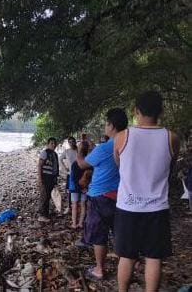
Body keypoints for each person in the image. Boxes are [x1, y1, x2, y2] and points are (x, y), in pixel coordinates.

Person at [114, 91, 180, 292]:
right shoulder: (172, 138)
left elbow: (119, 164)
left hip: (128, 207)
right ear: (161, 111)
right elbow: (171, 166)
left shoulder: (122, 136)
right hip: (157, 208)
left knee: (127, 256)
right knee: (154, 257)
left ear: (135, 110)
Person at [76, 108, 128, 281]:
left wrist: (79, 149)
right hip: (122, 195)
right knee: (119, 231)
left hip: (101, 197)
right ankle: (127, 265)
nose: (105, 127)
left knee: (99, 235)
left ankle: (99, 269)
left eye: (106, 123)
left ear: (112, 126)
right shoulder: (129, 144)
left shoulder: (105, 147)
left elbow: (82, 164)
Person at [69, 141, 91, 229]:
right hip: (85, 188)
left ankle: (74, 224)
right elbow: (90, 177)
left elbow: (74, 178)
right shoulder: (89, 163)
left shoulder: (75, 163)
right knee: (83, 205)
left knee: (74, 205)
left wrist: (79, 187)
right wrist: (84, 188)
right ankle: (81, 223)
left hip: (75, 188)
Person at [37, 137, 60, 222]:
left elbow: (55, 167)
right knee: (44, 196)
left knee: (48, 196)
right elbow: (39, 165)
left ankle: (46, 214)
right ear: (48, 144)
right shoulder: (44, 153)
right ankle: (41, 215)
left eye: (54, 143)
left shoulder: (55, 154)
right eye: (51, 143)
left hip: (52, 178)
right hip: (45, 177)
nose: (53, 145)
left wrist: (55, 179)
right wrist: (40, 178)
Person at [60, 136, 78, 214]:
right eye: (69, 142)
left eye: (72, 141)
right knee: (70, 191)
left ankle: (77, 206)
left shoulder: (78, 150)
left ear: (75, 142)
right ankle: (69, 207)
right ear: (68, 143)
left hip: (79, 174)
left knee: (80, 190)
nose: (71, 143)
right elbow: (60, 159)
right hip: (70, 174)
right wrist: (65, 168)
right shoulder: (67, 151)